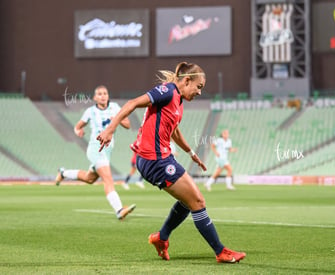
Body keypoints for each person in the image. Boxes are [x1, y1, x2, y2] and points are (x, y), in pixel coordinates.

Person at [96, 62, 246, 263]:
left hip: (161, 158)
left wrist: (191, 152)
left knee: (188, 200)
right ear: (186, 80)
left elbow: (174, 131)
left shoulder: (178, 102)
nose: (200, 92)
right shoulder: (167, 91)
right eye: (199, 87)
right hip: (153, 159)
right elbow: (132, 103)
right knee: (198, 201)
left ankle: (162, 237)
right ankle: (221, 252)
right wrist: (110, 129)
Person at [55, 85, 136, 220]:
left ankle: (63, 173)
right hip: (95, 148)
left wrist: (117, 119)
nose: (103, 96)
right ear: (94, 97)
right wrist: (78, 131)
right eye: (99, 94)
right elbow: (77, 126)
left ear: (108, 96)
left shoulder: (115, 107)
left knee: (89, 178)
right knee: (108, 178)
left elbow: (127, 125)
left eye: (105, 93)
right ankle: (119, 210)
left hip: (107, 150)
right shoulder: (90, 111)